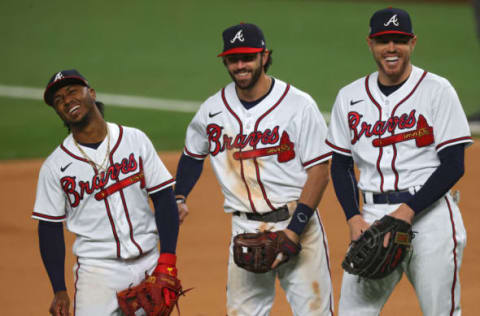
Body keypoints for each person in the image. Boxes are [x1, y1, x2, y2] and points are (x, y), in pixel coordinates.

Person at [173, 23, 334, 316]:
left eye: (247, 57)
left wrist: (295, 230)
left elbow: (320, 172)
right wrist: (180, 195)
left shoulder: (299, 105)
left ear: (264, 56)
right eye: (233, 59)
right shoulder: (212, 110)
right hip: (245, 230)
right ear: (225, 61)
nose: (240, 65)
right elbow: (192, 155)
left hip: (297, 223)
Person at [326, 8, 473, 316]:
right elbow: (340, 165)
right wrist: (353, 217)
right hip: (373, 220)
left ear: (412, 43)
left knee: (441, 312)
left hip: (430, 217)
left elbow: (453, 164)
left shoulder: (437, 91)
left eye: (399, 40)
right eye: (383, 41)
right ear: (370, 44)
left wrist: (408, 211)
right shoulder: (349, 97)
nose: (391, 48)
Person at [32, 69, 181, 316]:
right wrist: (59, 289)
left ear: (91, 93)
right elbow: (49, 229)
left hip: (150, 263)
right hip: (98, 274)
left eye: (72, 92)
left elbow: (164, 199)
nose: (67, 100)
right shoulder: (54, 167)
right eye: (58, 100)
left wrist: (167, 260)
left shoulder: (135, 140)